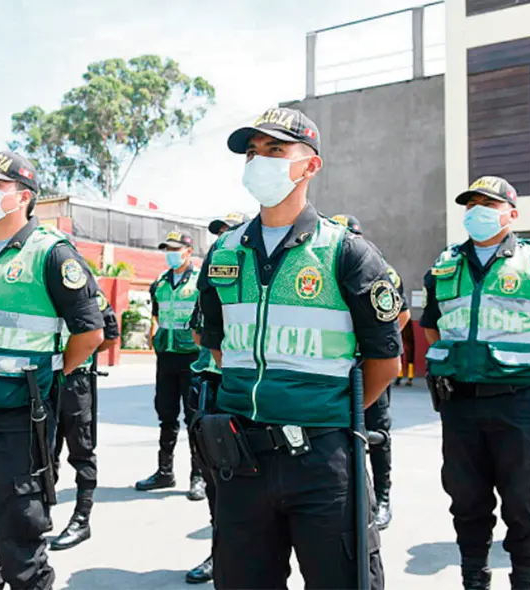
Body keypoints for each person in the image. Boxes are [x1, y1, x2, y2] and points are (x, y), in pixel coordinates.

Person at [197, 107, 401, 589]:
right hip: (241, 454)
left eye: (274, 150)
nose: (258, 161)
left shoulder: (346, 252)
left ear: (310, 165)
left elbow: (385, 361)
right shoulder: (225, 251)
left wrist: (321, 411)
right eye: (252, 152)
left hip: (323, 459)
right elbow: (219, 347)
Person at [422, 176, 530, 590]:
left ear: (512, 214)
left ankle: (526, 581)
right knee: (466, 498)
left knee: (526, 500)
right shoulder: (445, 265)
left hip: (519, 402)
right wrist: (453, 359)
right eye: (471, 204)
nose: (477, 211)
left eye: (488, 204)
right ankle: (474, 578)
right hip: (460, 403)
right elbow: (431, 327)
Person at [0, 150, 104, 589]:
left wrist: (50, 375)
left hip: (18, 420)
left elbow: (89, 334)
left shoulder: (51, 254)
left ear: (22, 197)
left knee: (21, 552)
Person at [331, 213, 409, 532]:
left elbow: (401, 316)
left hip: (369, 364)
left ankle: (383, 496)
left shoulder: (382, 270)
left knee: (377, 432)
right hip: (335, 365)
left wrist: (375, 341)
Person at [183, 211, 246, 585]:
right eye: (218, 234)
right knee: (214, 477)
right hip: (211, 386)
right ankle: (219, 552)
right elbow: (198, 330)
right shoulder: (211, 282)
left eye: (228, 233)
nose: (221, 241)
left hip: (248, 391)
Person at [49, 289, 120, 550]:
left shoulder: (90, 295)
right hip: (44, 379)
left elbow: (109, 337)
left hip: (76, 381)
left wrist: (79, 355)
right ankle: (41, 515)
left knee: (81, 451)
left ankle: (81, 519)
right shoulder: (39, 289)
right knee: (43, 451)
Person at [136, 230, 204, 498]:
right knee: (166, 414)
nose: (171, 254)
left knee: (193, 417)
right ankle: (165, 472)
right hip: (166, 356)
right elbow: (156, 314)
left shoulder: (200, 282)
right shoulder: (161, 282)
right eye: (167, 249)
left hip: (192, 356)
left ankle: (197, 476)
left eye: (175, 249)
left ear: (188, 251)